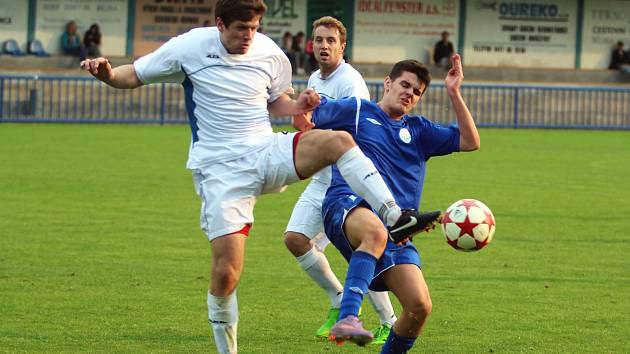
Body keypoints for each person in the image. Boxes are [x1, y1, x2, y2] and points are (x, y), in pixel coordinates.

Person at [79, 1, 436, 353]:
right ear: (219, 25)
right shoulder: (188, 47)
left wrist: (299, 105)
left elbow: (275, 100)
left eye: (255, 28)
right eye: (241, 29)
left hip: (264, 151)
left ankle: (394, 216)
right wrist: (108, 74)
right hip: (221, 170)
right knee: (226, 273)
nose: (250, 36)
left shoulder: (268, 51)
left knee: (339, 142)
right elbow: (135, 74)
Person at [302, 55, 479, 351]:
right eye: (405, 85)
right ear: (388, 83)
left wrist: (454, 92)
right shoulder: (358, 111)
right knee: (375, 233)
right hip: (347, 204)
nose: (409, 93)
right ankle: (347, 317)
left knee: (419, 307)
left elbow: (470, 141)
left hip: (397, 231)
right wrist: (308, 101)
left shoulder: (420, 131)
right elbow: (311, 114)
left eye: (417, 91)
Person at [284, 16, 398, 345]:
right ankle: (338, 301)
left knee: (359, 249)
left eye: (330, 41)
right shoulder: (315, 79)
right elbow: (310, 127)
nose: (323, 46)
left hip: (346, 182)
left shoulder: (350, 81)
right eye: (318, 40)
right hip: (322, 178)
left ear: (342, 46)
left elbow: (361, 130)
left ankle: (389, 321)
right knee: (294, 238)